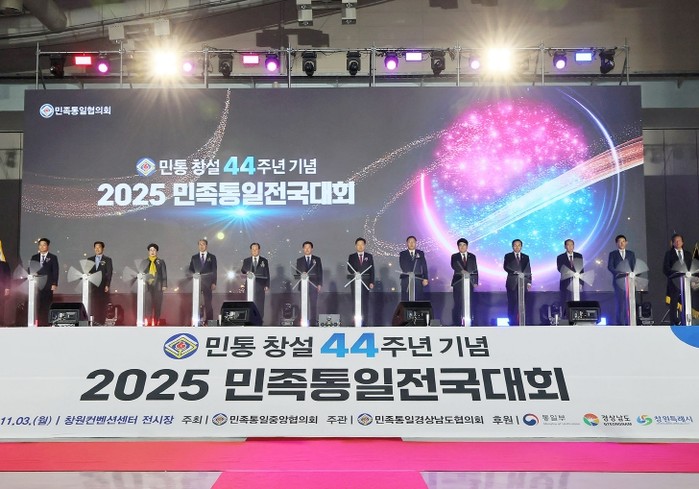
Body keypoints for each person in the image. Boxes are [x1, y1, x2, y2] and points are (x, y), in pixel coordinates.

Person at [663, 233, 693, 325]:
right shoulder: (669, 254)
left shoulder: (688, 254)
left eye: (679, 240)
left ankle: (687, 320)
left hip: (686, 282)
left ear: (682, 242)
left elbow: (691, 267)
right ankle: (674, 322)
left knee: (687, 301)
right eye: (675, 241)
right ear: (673, 243)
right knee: (674, 302)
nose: (678, 242)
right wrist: (676, 273)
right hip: (674, 282)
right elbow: (666, 269)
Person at [607, 234, 637, 325]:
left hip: (630, 282)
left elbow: (634, 266)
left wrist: (633, 274)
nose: (622, 243)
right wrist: (619, 273)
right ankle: (620, 323)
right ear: (616, 243)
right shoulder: (613, 254)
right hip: (618, 281)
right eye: (620, 242)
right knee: (620, 303)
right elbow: (610, 267)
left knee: (630, 302)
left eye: (623, 241)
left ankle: (630, 322)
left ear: (626, 242)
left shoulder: (631, 254)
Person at [29, 238, 59, 326]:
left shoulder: (53, 257)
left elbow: (55, 271)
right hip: (36, 285)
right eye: (40, 245)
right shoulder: (34, 257)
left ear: (47, 246)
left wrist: (54, 283)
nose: (42, 247)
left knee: (47, 305)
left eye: (44, 245)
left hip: (48, 285)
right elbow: (31, 269)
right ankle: (37, 323)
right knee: (37, 305)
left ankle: (46, 324)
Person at [347, 237, 375, 326]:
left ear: (364, 246)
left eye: (362, 244)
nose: (360, 246)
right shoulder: (352, 256)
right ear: (355, 246)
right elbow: (349, 268)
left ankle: (365, 322)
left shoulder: (369, 256)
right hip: (355, 282)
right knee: (355, 302)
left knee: (365, 302)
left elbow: (372, 270)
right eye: (358, 245)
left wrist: (372, 282)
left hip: (365, 282)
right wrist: (356, 273)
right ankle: (355, 322)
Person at [503, 239, 532, 326]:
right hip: (512, 282)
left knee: (523, 303)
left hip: (523, 283)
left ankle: (522, 322)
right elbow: (505, 267)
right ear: (512, 246)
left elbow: (528, 269)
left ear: (521, 246)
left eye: (519, 245)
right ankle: (512, 322)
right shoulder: (508, 256)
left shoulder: (526, 257)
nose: (517, 247)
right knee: (512, 303)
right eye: (515, 245)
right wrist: (515, 272)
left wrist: (529, 282)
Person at [188, 239, 217, 323]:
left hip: (208, 284)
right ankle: (198, 321)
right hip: (197, 283)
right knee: (198, 303)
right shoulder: (194, 257)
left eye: (203, 244)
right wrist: (193, 274)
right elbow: (190, 269)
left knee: (208, 303)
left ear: (206, 246)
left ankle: (209, 321)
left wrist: (214, 282)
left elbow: (214, 270)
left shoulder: (212, 257)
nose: (201, 246)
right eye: (200, 244)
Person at [450, 238, 478, 326]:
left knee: (470, 302)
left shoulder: (472, 256)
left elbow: (475, 269)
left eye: (464, 245)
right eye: (460, 245)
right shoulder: (454, 256)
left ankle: (470, 322)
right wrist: (462, 271)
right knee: (458, 303)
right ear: (458, 247)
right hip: (458, 282)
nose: (462, 247)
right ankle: (457, 323)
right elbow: (454, 265)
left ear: (467, 246)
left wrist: (475, 281)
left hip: (469, 282)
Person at [295, 241, 323, 326]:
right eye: (305, 247)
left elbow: (320, 272)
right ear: (303, 249)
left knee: (313, 304)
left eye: (309, 247)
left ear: (312, 249)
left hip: (313, 285)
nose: (307, 249)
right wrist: (302, 273)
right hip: (303, 285)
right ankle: (303, 321)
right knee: (303, 304)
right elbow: (297, 272)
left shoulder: (317, 259)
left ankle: (313, 322)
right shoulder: (299, 260)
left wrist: (319, 284)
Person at [241, 242, 269, 323]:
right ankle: (249, 320)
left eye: (256, 249)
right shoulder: (247, 260)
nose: (254, 251)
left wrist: (267, 285)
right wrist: (247, 271)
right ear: (251, 250)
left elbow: (267, 273)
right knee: (249, 303)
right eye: (253, 249)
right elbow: (243, 270)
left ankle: (259, 321)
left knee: (260, 304)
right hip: (249, 286)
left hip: (260, 285)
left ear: (259, 250)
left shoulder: (264, 261)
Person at [87, 241, 113, 325]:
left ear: (103, 248)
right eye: (96, 247)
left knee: (102, 304)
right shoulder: (89, 259)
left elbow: (109, 273)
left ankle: (101, 322)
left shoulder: (107, 260)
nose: (97, 249)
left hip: (102, 286)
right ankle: (93, 322)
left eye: (99, 247)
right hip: (92, 286)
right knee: (93, 304)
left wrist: (107, 285)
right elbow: (87, 272)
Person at [556, 238, 584, 316]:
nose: (570, 246)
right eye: (568, 245)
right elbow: (560, 268)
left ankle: (577, 316)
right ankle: (565, 317)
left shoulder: (579, 256)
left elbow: (581, 270)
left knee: (577, 300)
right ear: (565, 246)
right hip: (566, 282)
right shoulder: (560, 257)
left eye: (572, 245)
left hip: (577, 282)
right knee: (565, 300)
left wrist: (581, 282)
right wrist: (570, 273)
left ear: (574, 246)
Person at [142, 243, 167, 326]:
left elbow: (164, 274)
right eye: (151, 250)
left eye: (154, 250)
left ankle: (156, 322)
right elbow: (141, 273)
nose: (152, 252)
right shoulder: (144, 262)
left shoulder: (161, 262)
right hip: (147, 286)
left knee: (157, 305)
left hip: (158, 286)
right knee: (148, 305)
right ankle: (148, 322)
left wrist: (164, 285)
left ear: (156, 252)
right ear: (148, 252)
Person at [399, 235, 429, 301]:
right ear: (407, 243)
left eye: (413, 242)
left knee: (418, 298)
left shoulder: (420, 253)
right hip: (406, 280)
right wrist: (411, 273)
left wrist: (425, 278)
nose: (411, 243)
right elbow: (403, 266)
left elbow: (424, 266)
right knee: (406, 299)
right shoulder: (402, 254)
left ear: (416, 243)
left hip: (418, 280)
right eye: (409, 242)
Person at [0, 240, 11, 326]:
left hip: (1, 288)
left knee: (1, 306)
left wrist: (7, 288)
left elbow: (8, 276)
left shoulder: (4, 264)